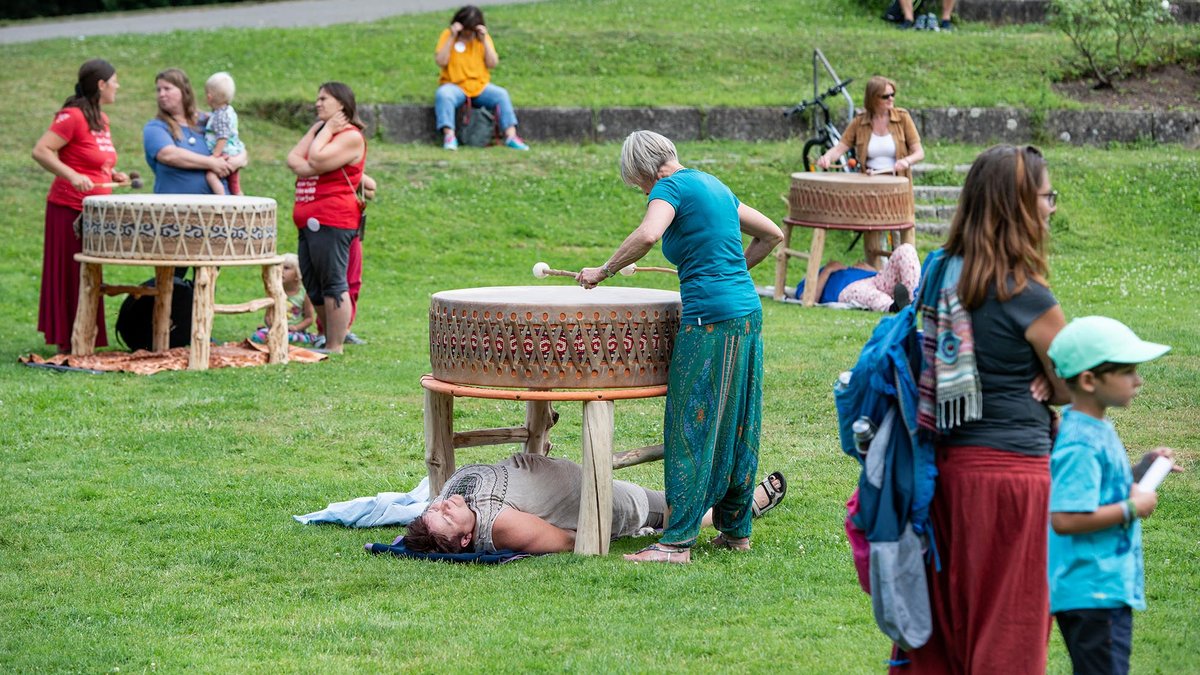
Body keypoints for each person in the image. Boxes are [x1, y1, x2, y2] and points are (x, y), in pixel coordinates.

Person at [896, 145, 1069, 673]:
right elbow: (1070, 385)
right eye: (1046, 197)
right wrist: (1045, 377)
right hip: (1014, 483)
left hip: (943, 478)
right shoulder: (1027, 293)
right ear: (1018, 203)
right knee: (1009, 637)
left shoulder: (940, 273)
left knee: (948, 631)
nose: (1051, 208)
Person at [576, 131, 784, 564]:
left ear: (643, 170)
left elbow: (650, 234)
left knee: (692, 423)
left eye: (636, 181)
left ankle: (676, 542)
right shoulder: (714, 185)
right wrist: (729, 271)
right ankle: (735, 532)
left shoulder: (668, 187)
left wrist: (604, 270)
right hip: (746, 314)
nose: (639, 189)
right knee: (738, 424)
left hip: (709, 321)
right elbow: (773, 235)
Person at [1047, 316, 1173, 675]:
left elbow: (1099, 487)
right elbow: (1065, 518)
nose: (1138, 380)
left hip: (1103, 588)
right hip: (1092, 593)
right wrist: (1131, 507)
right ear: (1089, 380)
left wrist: (1143, 470)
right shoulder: (1081, 443)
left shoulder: (1094, 427)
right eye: (1128, 371)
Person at [403, 453, 787, 555]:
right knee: (669, 509)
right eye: (444, 517)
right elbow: (570, 540)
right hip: (603, 500)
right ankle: (738, 509)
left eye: (434, 509)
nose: (441, 506)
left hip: (570, 477)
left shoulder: (445, 503)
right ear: (467, 539)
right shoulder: (497, 525)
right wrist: (606, 521)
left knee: (667, 503)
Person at [31, 59, 125, 353]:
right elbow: (41, 150)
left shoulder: (102, 120)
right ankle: (66, 340)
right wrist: (72, 176)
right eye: (115, 80)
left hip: (94, 211)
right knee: (71, 274)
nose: (118, 86)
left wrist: (112, 175)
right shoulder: (72, 116)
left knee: (91, 275)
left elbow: (96, 160)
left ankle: (87, 336)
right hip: (67, 208)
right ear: (101, 84)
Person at [286, 82, 367, 354]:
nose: (317, 103)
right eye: (317, 98)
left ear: (341, 104)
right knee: (313, 283)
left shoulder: (349, 135)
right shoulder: (322, 131)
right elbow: (294, 160)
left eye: (324, 99)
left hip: (333, 219)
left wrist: (328, 130)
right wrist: (317, 130)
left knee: (333, 282)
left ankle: (335, 345)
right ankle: (328, 337)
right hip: (308, 220)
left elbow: (316, 159)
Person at [434, 4, 529, 151]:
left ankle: (511, 136)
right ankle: (449, 136)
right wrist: (452, 37)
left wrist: (484, 40)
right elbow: (441, 61)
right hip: (455, 85)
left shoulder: (482, 39)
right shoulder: (448, 36)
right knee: (444, 95)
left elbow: (492, 63)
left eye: (471, 31)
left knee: (501, 94)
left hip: (479, 85)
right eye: (466, 30)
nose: (468, 34)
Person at [143, 68, 246, 195]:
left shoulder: (209, 121)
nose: (161, 94)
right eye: (158, 90)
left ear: (184, 91)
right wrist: (211, 163)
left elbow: (236, 146)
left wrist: (235, 162)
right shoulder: (155, 128)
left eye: (167, 89)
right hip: (177, 210)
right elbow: (169, 155)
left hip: (221, 211)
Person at [817, 76, 924, 180]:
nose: (891, 99)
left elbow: (919, 153)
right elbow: (839, 149)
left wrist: (906, 161)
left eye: (892, 94)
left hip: (898, 181)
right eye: (885, 96)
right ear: (873, 99)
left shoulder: (903, 117)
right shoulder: (859, 122)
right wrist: (827, 158)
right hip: (869, 181)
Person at [795, 242, 920, 312]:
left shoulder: (849, 268)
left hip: (874, 279)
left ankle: (913, 296)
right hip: (848, 289)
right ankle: (893, 308)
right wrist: (828, 270)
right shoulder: (812, 279)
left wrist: (869, 269)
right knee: (872, 296)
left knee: (906, 250)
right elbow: (807, 297)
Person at [251, 253, 316, 346]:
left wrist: (296, 327)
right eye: (279, 267)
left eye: (286, 268)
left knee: (289, 338)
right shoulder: (273, 291)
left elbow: (309, 319)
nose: (281, 271)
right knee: (257, 336)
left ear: (298, 274)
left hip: (295, 332)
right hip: (276, 329)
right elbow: (268, 316)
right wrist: (271, 324)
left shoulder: (304, 294)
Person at [203, 72, 246, 196]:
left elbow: (222, 137)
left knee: (211, 176)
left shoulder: (220, 116)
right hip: (234, 152)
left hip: (224, 154)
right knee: (234, 184)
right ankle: (241, 203)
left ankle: (222, 199)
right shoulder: (227, 111)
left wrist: (215, 156)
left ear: (209, 97)